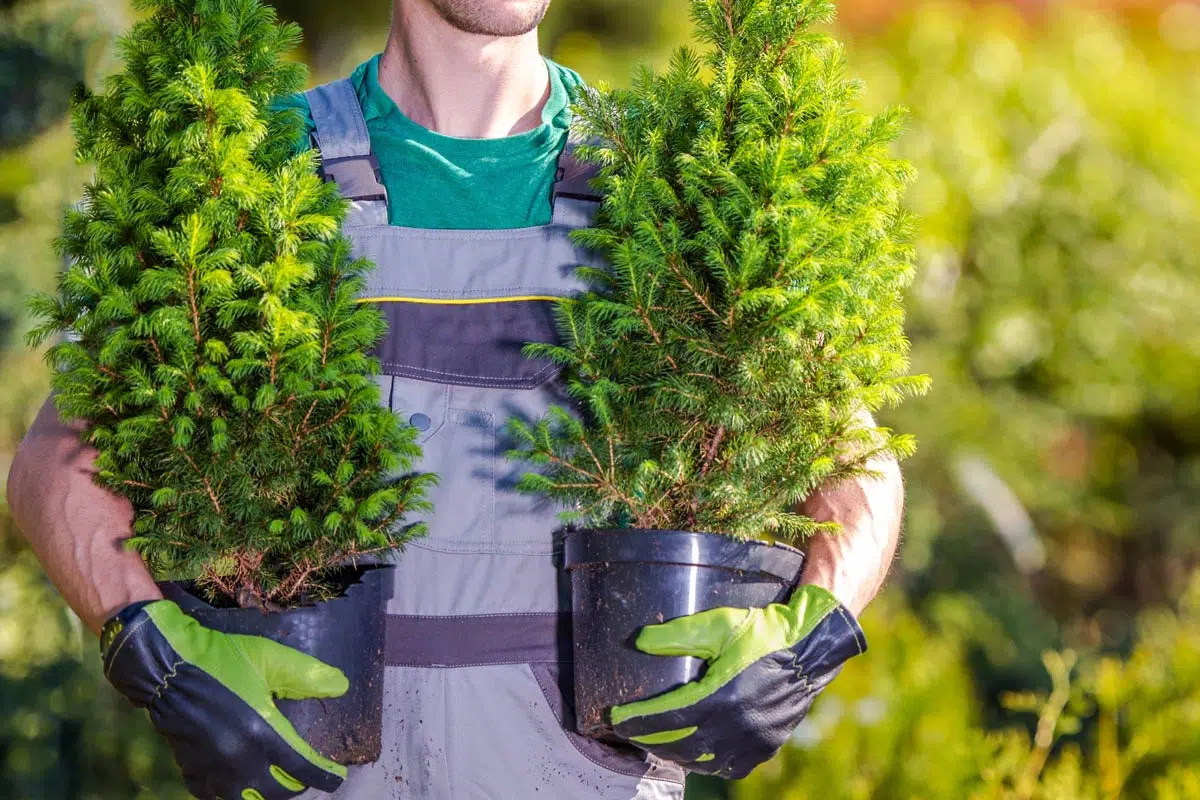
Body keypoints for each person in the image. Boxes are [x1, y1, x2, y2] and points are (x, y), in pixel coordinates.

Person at [6, 0, 905, 797]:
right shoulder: (247, 170)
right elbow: (60, 457)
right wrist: (152, 651)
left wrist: (810, 636)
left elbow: (851, 459)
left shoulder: (662, 184)